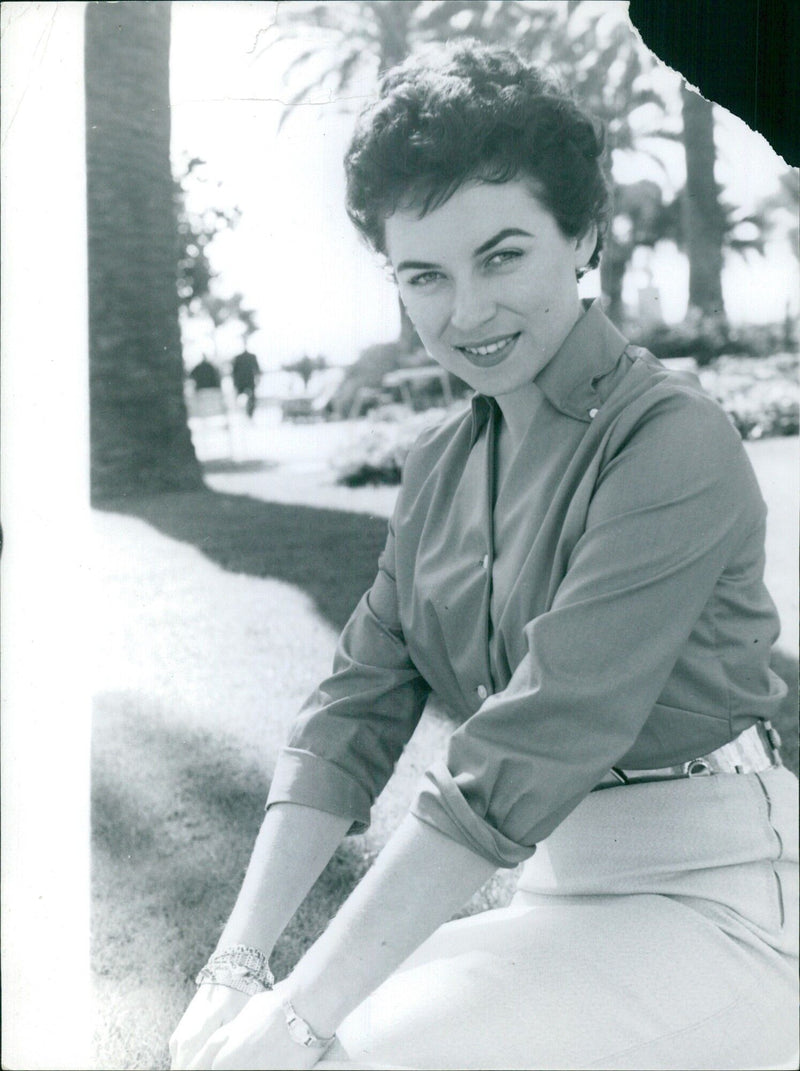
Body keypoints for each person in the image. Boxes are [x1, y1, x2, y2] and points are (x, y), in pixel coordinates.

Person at [170, 42, 798, 1071]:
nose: (463, 313)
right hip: (557, 890)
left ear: (582, 234)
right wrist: (234, 969)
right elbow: (353, 711)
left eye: (501, 256)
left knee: (329, 1054)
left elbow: (529, 744)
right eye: (424, 275)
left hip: (718, 895)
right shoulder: (436, 470)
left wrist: (293, 1020)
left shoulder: (670, 438)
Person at [231, 346, 262, 417]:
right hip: (248, 382)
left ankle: (247, 413)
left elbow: (234, 372)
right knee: (250, 399)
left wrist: (235, 383)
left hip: (242, 383)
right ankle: (248, 413)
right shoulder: (251, 357)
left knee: (246, 399)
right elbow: (257, 370)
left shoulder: (239, 358)